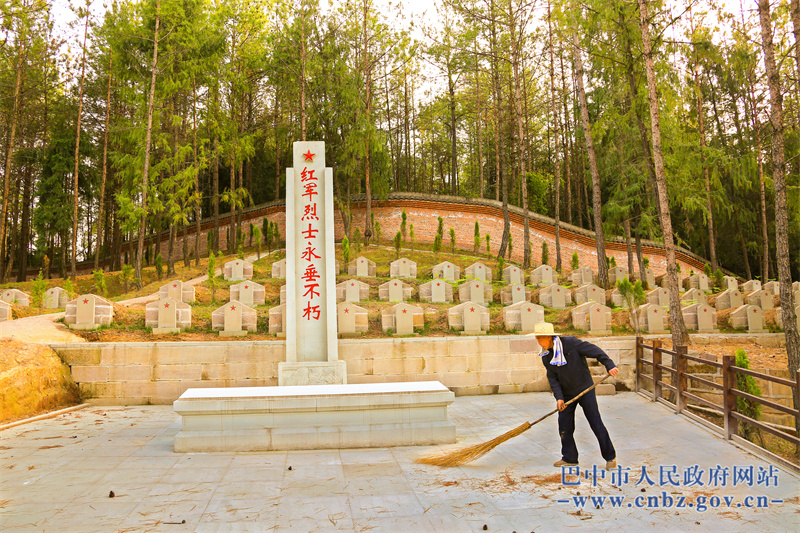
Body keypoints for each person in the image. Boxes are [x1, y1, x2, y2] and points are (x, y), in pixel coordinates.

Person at [532, 322, 619, 469]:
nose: (538, 342)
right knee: (564, 426)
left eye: (540, 339)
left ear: (548, 337)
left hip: (584, 389)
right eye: (537, 339)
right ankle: (570, 457)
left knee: (596, 423)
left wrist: (609, 365)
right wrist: (559, 397)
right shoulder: (546, 355)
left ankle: (610, 457)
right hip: (566, 394)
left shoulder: (571, 343)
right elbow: (552, 378)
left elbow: (595, 351)